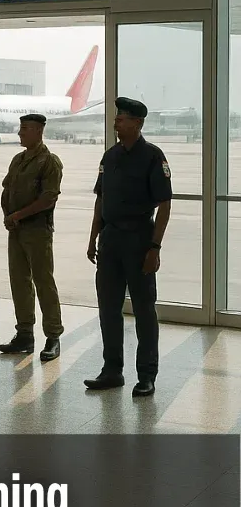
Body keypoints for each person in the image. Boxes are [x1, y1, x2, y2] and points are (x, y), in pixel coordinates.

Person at [85, 97, 172, 398]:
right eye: (116, 118)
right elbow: (101, 199)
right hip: (110, 241)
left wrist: (155, 247)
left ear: (137, 123)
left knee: (144, 310)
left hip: (138, 240)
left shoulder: (152, 156)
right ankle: (112, 370)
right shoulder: (110, 157)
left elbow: (164, 204)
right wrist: (93, 236)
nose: (116, 122)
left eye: (123, 119)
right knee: (108, 308)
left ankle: (146, 375)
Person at [0, 114, 64, 362]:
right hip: (16, 231)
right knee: (19, 282)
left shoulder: (49, 162)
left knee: (43, 283)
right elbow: (7, 190)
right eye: (20, 128)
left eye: (24, 129)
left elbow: (48, 198)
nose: (19, 133)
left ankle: (53, 337)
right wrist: (9, 216)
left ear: (38, 131)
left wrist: (17, 216)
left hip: (37, 230)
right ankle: (24, 334)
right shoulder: (18, 160)